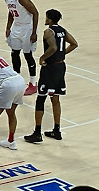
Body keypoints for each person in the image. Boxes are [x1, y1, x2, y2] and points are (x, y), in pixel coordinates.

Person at [24, 9, 78, 143]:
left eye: (46, 17)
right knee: (55, 99)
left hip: (50, 68)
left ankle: (37, 133)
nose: (45, 19)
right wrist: (62, 54)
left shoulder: (48, 32)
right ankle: (57, 130)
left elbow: (53, 47)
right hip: (60, 66)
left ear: (50, 19)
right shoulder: (62, 30)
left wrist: (42, 57)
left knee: (41, 98)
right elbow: (74, 44)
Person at [2, 0, 39, 95]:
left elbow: (35, 12)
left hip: (28, 27)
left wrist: (34, 33)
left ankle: (33, 83)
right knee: (15, 53)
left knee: (28, 55)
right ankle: (17, 80)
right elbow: (11, 12)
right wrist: (8, 27)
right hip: (17, 26)